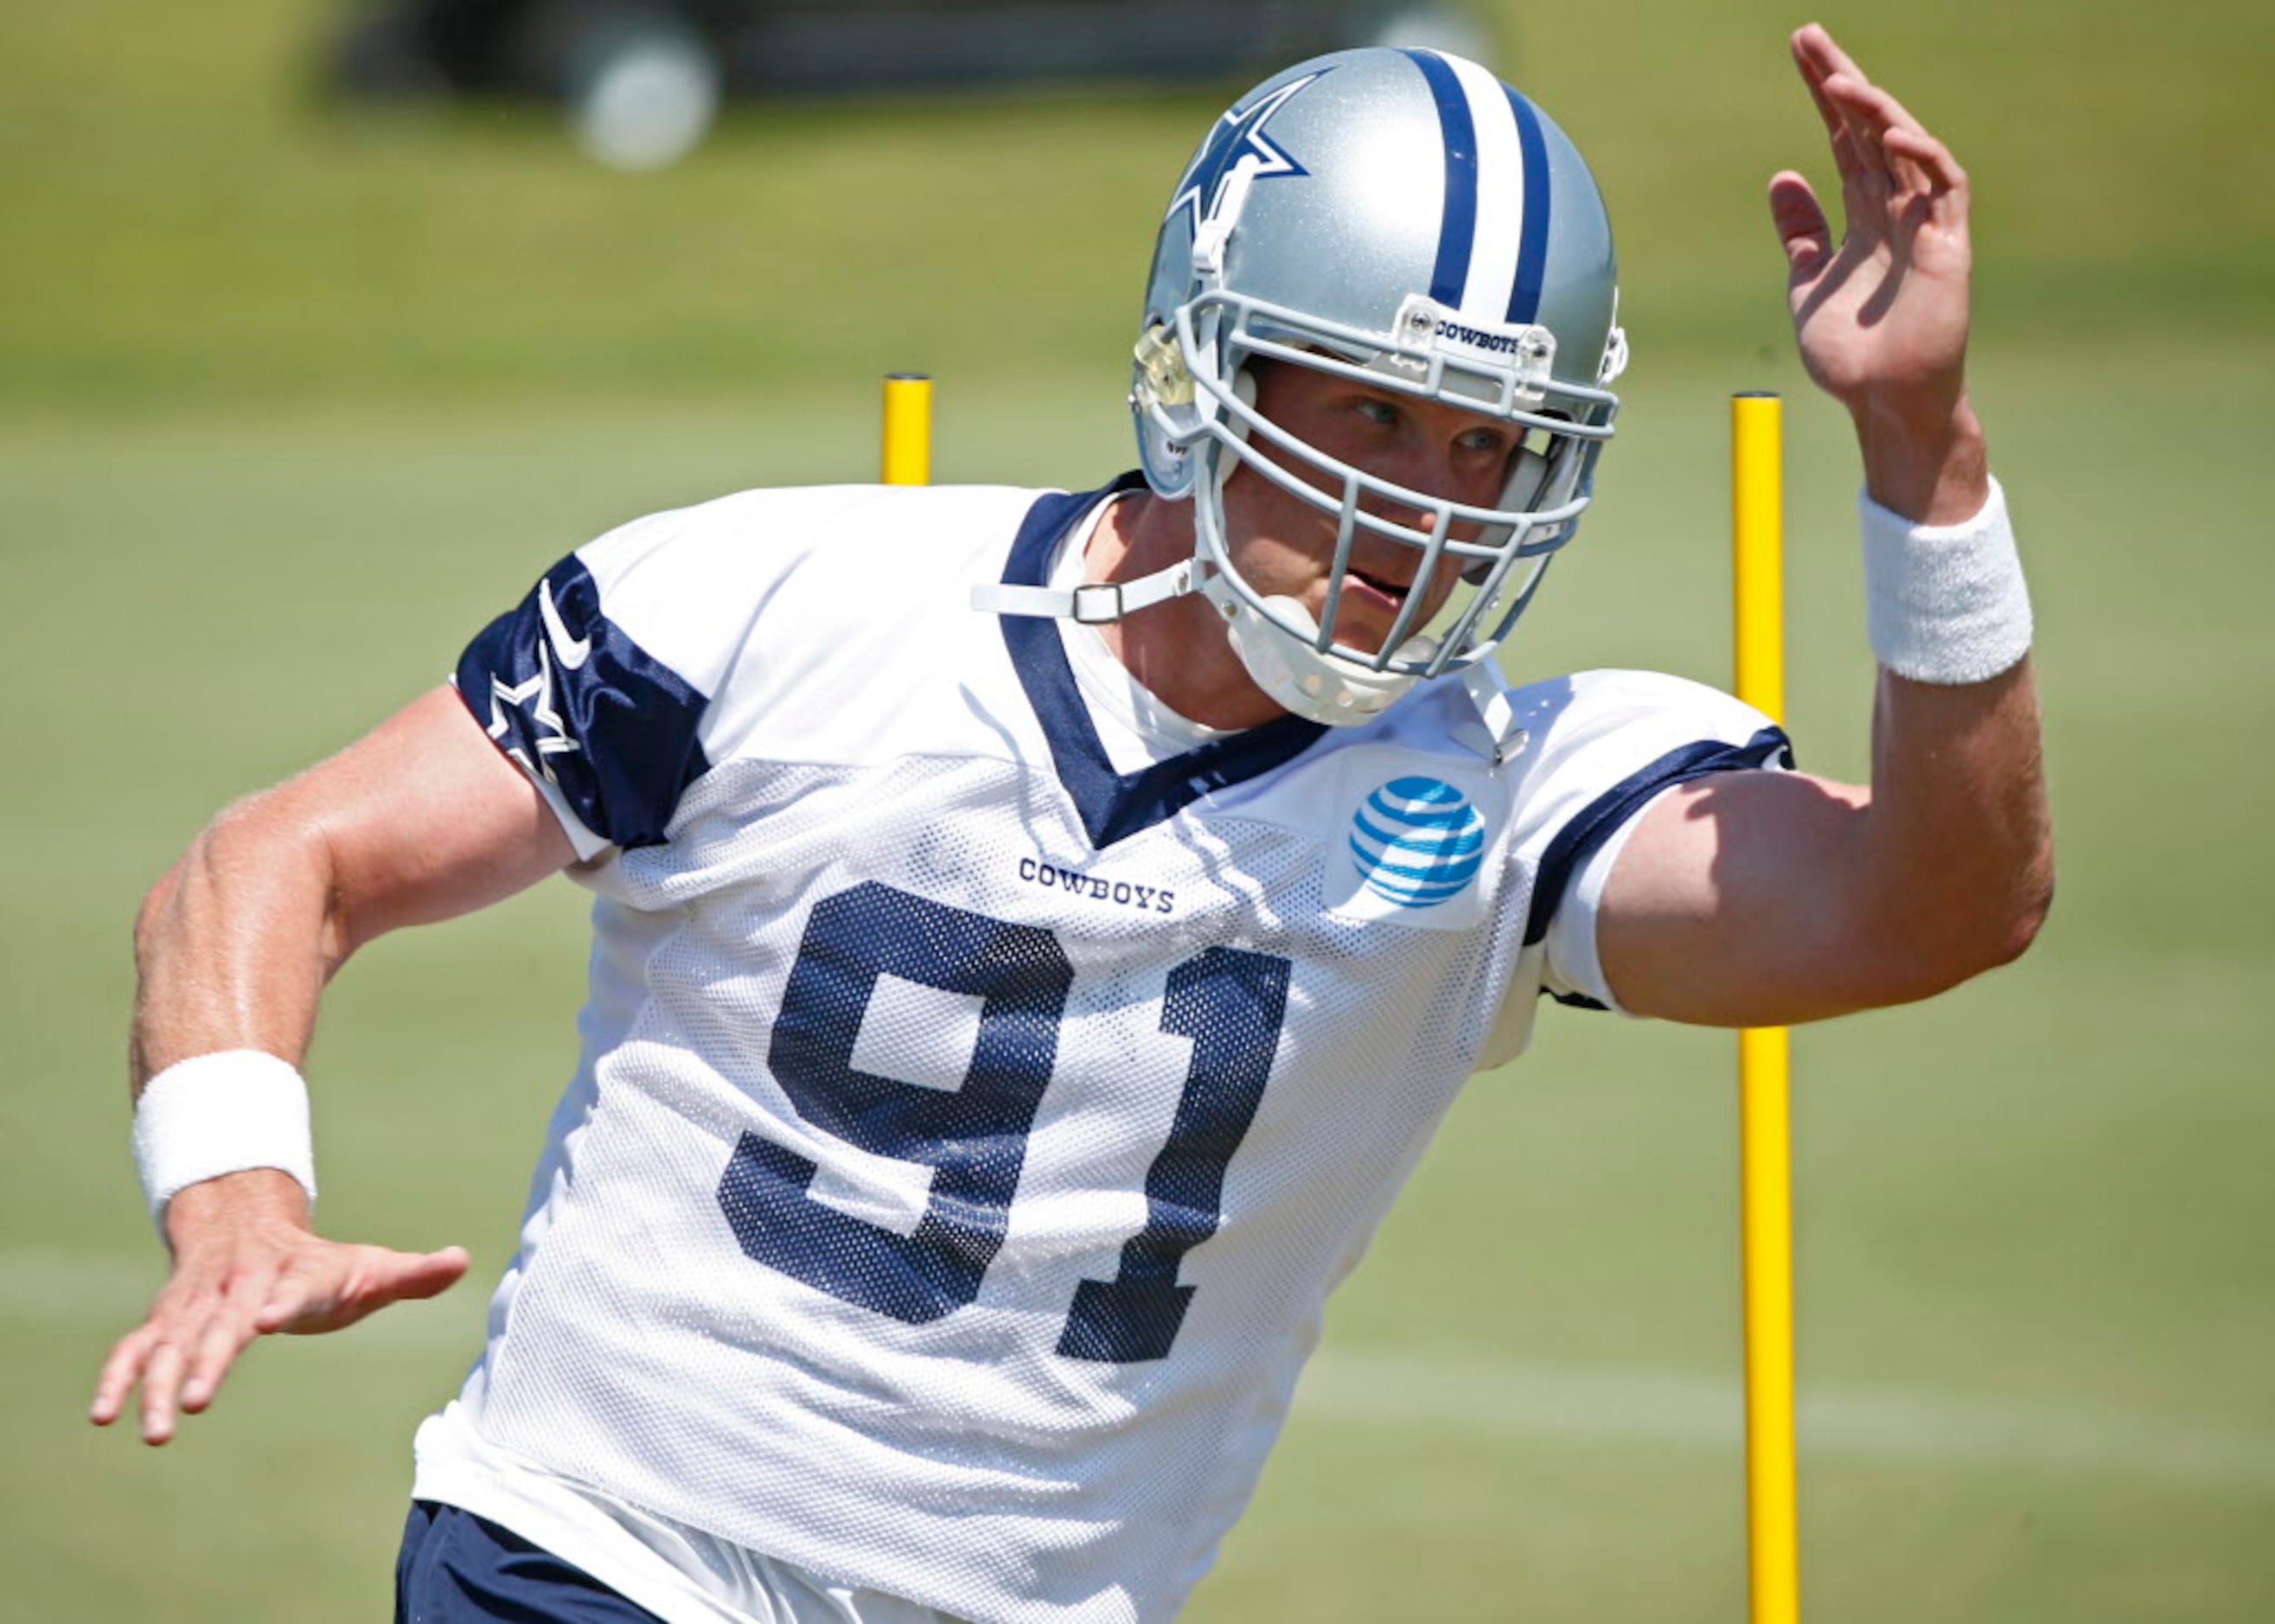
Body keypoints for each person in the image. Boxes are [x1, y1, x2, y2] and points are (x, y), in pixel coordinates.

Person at [93, 24, 2050, 1624]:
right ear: (1209, 362)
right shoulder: (789, 604)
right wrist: (237, 1202)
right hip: (595, 1557)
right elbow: (275, 863)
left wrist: (1922, 456)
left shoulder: (1508, 786)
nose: (1423, 512)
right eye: (1369, 412)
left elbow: (1931, 908)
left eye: (1484, 446)